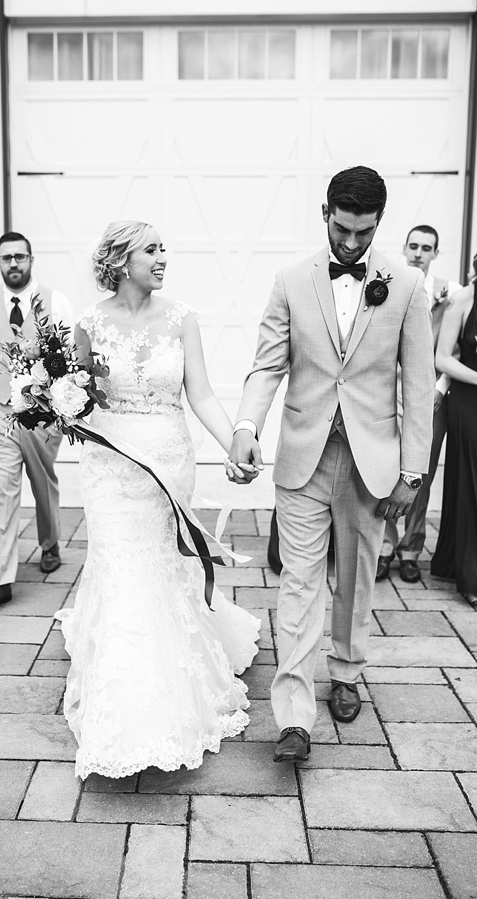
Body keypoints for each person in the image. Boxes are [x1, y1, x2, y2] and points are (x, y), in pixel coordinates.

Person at [227, 166, 434, 763]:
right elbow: (267, 365)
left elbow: (417, 387)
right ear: (326, 214)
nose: (350, 244)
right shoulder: (292, 279)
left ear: (378, 224)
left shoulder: (408, 286)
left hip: (373, 460)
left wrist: (412, 473)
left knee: (356, 575)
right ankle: (293, 716)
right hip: (303, 456)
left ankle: (345, 668)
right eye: (342, 231)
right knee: (298, 583)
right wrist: (246, 427)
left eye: (362, 234)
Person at [55, 221, 260, 779]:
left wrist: (236, 443)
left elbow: (201, 393)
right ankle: (123, 707)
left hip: (167, 464)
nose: (164, 257)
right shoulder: (89, 324)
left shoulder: (182, 319)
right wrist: (51, 404)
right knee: (121, 569)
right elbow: (73, 395)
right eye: (152, 249)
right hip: (109, 470)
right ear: (123, 260)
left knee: (164, 564)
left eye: (163, 248)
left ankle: (175, 679)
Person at [0, 232, 74, 609]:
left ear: (31, 259)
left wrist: (61, 412)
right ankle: (1, 579)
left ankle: (50, 541)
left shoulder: (56, 301)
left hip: (41, 417)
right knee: (4, 490)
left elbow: (70, 360)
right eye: (6, 258)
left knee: (43, 483)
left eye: (20, 257)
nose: (14, 264)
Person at [376, 225, 462, 583]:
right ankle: (383, 549)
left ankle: (411, 550)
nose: (418, 253)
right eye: (412, 246)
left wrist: (441, 387)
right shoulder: (389, 285)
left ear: (435, 254)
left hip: (433, 397)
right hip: (390, 393)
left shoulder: (450, 293)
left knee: (420, 476)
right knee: (384, 473)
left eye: (426, 248)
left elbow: (455, 348)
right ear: (404, 248)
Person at [431, 253, 477, 606]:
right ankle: (471, 578)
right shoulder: (463, 300)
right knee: (471, 484)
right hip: (468, 398)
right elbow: (443, 358)